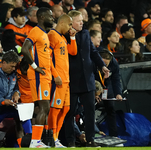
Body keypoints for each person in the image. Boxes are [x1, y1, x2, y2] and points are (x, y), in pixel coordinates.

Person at [64, 10, 109, 147]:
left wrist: (102, 66)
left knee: (90, 112)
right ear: (71, 22)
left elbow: (93, 52)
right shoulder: (64, 36)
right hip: (71, 80)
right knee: (70, 112)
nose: (82, 23)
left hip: (87, 79)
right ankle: (70, 141)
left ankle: (90, 139)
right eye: (79, 21)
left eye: (82, 20)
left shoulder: (85, 33)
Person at [0, 51, 31, 148]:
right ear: (3, 63)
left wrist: (17, 93)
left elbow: (16, 86)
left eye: (14, 66)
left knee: (25, 115)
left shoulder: (12, 73)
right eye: (11, 66)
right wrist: (3, 101)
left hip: (8, 107)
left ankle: (29, 143)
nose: (13, 69)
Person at [21, 7, 55, 148]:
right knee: (44, 107)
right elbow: (24, 49)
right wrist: (35, 67)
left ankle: (36, 140)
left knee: (42, 108)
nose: (53, 19)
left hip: (45, 76)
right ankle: (35, 142)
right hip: (38, 75)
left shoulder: (44, 33)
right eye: (50, 16)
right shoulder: (35, 31)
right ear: (41, 17)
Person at [47, 14, 77, 148]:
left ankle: (56, 137)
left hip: (66, 80)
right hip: (58, 79)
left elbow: (73, 51)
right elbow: (47, 57)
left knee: (65, 109)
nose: (71, 27)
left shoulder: (62, 37)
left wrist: (72, 37)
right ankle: (51, 138)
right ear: (63, 22)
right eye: (70, 24)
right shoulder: (52, 35)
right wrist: (55, 75)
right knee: (55, 109)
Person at [95, 49, 122, 138]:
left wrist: (118, 93)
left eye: (107, 64)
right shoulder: (92, 62)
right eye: (103, 64)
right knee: (89, 111)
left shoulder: (114, 64)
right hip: (94, 88)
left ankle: (114, 136)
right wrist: (94, 93)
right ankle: (90, 135)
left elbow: (116, 79)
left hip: (107, 88)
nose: (105, 66)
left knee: (111, 110)